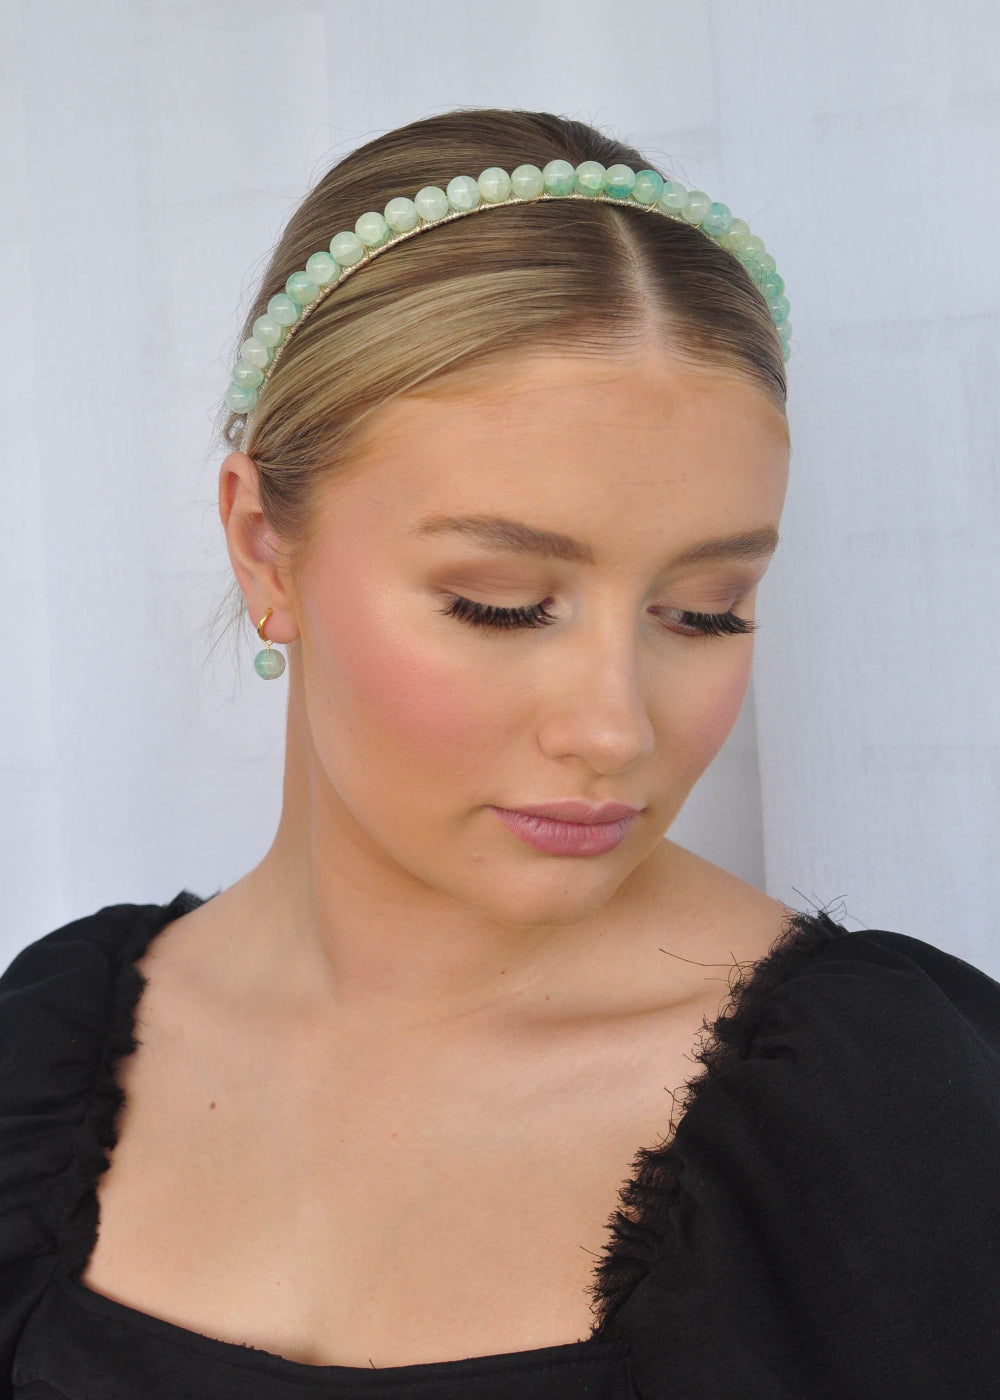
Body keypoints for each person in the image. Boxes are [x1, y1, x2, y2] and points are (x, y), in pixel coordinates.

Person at [2, 107, 999, 1400]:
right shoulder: (40, 1053)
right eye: (502, 605)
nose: (615, 729)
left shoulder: (897, 1111)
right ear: (263, 549)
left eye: (705, 612)